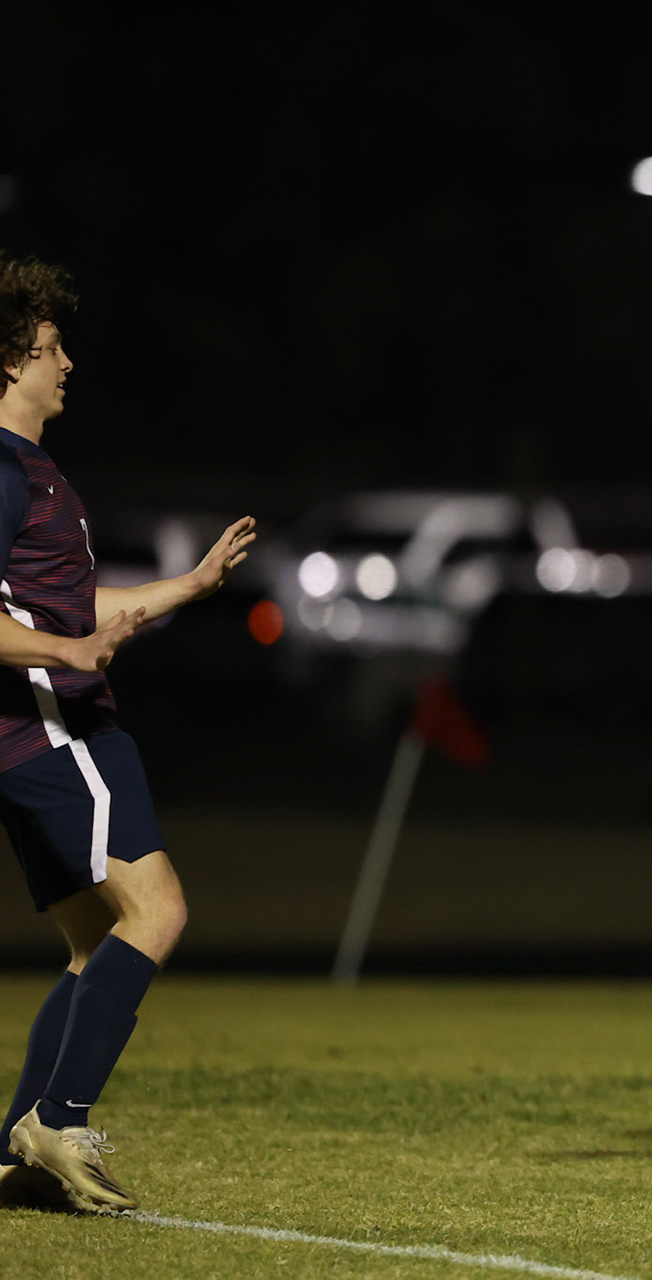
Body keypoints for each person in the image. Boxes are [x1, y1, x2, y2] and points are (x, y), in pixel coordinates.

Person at [0, 254, 256, 1213]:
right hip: (53, 729)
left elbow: (68, 604)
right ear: (10, 360)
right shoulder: (0, 469)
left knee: (91, 942)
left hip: (36, 730)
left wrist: (184, 590)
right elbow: (41, 631)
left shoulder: (29, 468)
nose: (67, 363)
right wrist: (67, 658)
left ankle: (17, 1153)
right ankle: (58, 1119)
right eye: (52, 349)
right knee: (159, 913)